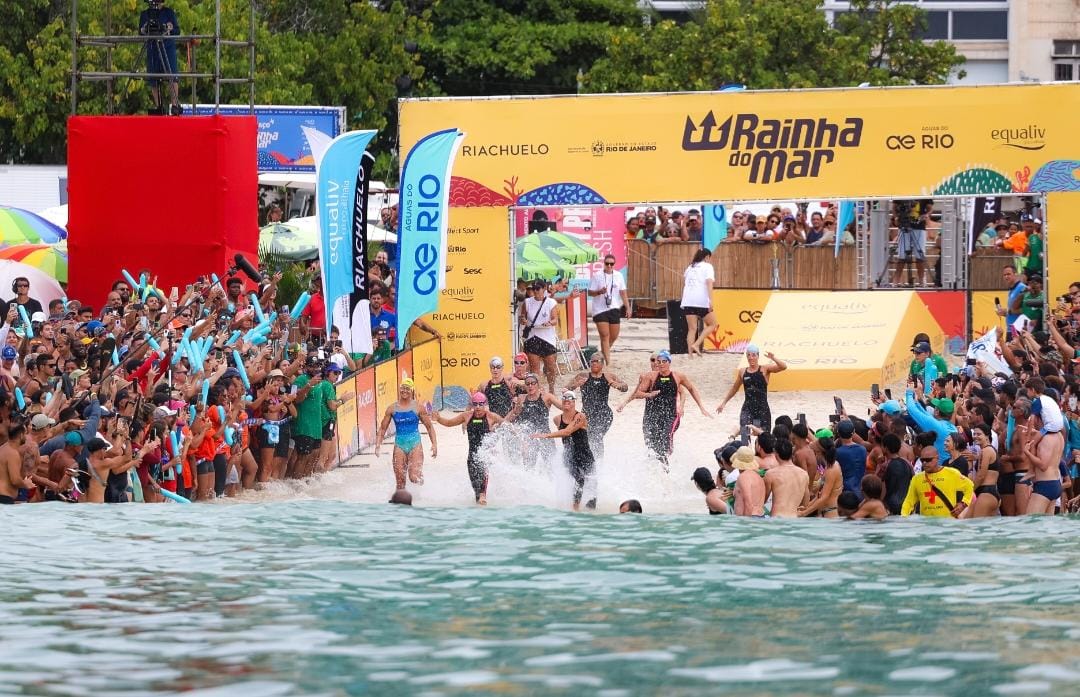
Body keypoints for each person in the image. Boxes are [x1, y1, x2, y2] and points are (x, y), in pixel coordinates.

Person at [635, 350, 709, 466]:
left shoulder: (678, 376)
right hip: (655, 416)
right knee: (653, 443)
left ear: (669, 362)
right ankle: (658, 465)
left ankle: (666, 463)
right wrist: (649, 394)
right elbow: (638, 393)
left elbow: (691, 389)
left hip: (672, 416)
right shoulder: (651, 376)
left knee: (665, 438)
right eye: (658, 362)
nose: (660, 364)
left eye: (664, 361)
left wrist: (701, 407)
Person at [433, 392, 503, 505]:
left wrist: (501, 433)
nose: (478, 407)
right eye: (475, 404)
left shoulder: (491, 416)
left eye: (481, 404)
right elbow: (450, 423)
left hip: (485, 453)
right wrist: (439, 419)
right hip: (471, 455)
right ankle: (481, 514)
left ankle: (483, 496)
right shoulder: (466, 416)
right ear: (472, 405)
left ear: (485, 404)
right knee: (476, 489)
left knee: (482, 492)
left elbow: (505, 425)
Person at [531, 391, 596, 511]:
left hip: (585, 454)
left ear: (574, 402)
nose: (567, 400)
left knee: (592, 483)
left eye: (570, 399)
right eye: (564, 398)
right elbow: (563, 435)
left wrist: (546, 435)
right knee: (579, 479)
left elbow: (567, 432)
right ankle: (575, 509)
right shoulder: (557, 419)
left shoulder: (580, 417)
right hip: (569, 455)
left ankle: (591, 511)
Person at [564, 353, 628, 462]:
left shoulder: (609, 376)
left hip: (604, 414)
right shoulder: (582, 376)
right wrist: (576, 385)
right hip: (586, 414)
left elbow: (625, 387)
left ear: (602, 363)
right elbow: (566, 389)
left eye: (596, 361)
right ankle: (587, 462)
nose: (594, 363)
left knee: (597, 437)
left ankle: (598, 463)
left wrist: (615, 385)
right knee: (584, 439)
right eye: (592, 361)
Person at [376, 378, 436, 491]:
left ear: (412, 390)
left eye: (407, 389)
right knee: (400, 482)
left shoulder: (418, 407)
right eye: (403, 388)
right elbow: (382, 428)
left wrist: (434, 444)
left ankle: (422, 490)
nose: (405, 391)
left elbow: (429, 427)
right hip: (399, 445)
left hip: (415, 444)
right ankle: (401, 505)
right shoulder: (392, 408)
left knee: (414, 477)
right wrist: (378, 445)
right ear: (399, 389)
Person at [716, 344, 787, 428]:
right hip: (747, 409)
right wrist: (724, 403)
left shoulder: (765, 369)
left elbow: (783, 367)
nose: (751, 357)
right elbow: (734, 388)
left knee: (764, 437)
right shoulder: (742, 371)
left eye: (753, 355)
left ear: (758, 356)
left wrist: (773, 358)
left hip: (763, 409)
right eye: (748, 355)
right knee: (744, 433)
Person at [901, 445, 974, 517]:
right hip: (926, 524)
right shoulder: (917, 479)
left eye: (928, 460)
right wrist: (904, 517)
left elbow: (970, 486)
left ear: (937, 458)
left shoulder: (952, 473)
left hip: (947, 523)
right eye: (922, 460)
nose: (924, 463)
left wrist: (963, 504)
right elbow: (909, 502)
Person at [504, 373, 558, 469]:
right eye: (528, 384)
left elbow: (564, 407)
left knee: (552, 465)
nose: (530, 386)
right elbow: (513, 414)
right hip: (528, 438)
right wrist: (502, 423)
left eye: (533, 383)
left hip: (544, 435)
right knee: (529, 468)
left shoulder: (546, 397)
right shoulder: (521, 398)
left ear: (538, 384)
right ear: (525, 386)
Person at [1022, 395, 1065, 515]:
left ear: (1038, 418)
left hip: (1045, 485)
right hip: (1054, 483)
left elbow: (1043, 465)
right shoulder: (1059, 436)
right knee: (1046, 529)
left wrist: (1027, 452)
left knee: (1031, 525)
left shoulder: (1046, 439)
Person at [138, 0, 181, 116]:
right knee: (153, 78)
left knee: (172, 76)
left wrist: (168, 28)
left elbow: (177, 30)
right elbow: (140, 32)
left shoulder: (168, 12)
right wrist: (144, 30)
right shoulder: (145, 14)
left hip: (167, 47)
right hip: (152, 48)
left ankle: (175, 105)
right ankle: (158, 106)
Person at [588, 254, 629, 365]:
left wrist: (628, 307)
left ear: (614, 264)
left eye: (612, 264)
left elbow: (623, 293)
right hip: (599, 310)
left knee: (613, 336)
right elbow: (590, 292)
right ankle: (608, 363)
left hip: (614, 307)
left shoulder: (618, 275)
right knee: (605, 336)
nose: (609, 266)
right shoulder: (597, 276)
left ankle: (601, 355)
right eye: (607, 263)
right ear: (604, 264)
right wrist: (599, 292)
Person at [520, 281, 560, 393]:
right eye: (534, 288)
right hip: (533, 336)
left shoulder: (551, 302)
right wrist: (523, 320)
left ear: (544, 289)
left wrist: (550, 323)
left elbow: (555, 319)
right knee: (534, 369)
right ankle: (538, 392)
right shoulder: (527, 302)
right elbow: (523, 316)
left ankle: (551, 389)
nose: (536, 291)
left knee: (550, 368)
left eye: (538, 288)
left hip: (547, 338)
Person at [681, 249, 717, 357]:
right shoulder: (708, 266)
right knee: (713, 324)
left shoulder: (690, 267)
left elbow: (686, 283)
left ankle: (690, 355)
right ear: (706, 257)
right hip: (701, 300)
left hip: (688, 300)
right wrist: (710, 300)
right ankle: (696, 344)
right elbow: (709, 283)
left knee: (692, 329)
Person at [763, 439, 809, 518]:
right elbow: (805, 503)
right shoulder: (804, 474)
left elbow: (762, 500)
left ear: (776, 453)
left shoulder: (771, 474)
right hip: (794, 518)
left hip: (777, 519)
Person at [892, 198, 933, 287]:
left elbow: (930, 207)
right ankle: (895, 281)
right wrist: (896, 217)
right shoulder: (901, 192)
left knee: (920, 254)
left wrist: (926, 215)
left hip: (919, 227)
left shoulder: (924, 192)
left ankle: (922, 281)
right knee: (902, 255)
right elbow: (894, 207)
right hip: (903, 226)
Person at [969, 423, 1001, 517]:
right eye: (974, 434)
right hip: (992, 492)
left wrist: (970, 491)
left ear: (987, 436)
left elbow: (981, 476)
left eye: (979, 434)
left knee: (976, 525)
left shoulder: (985, 451)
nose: (975, 437)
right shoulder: (991, 450)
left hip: (986, 493)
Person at [879, 433, 913, 516]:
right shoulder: (907, 463)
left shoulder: (885, 466)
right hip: (906, 506)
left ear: (886, 448)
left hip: (891, 506)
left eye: (882, 446)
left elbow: (882, 488)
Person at [730, 445, 765, 516]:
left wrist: (746, 524)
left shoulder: (743, 477)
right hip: (759, 517)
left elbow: (748, 503)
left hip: (750, 518)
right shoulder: (759, 477)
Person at [998, 265, 1027, 337]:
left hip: (1018, 329)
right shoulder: (1011, 289)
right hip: (1010, 329)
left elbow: (1025, 310)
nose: (1006, 277)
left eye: (1008, 274)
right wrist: (1004, 313)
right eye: (1004, 275)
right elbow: (1012, 311)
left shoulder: (1022, 288)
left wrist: (1007, 311)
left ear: (1015, 274)